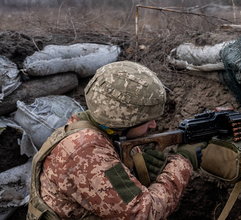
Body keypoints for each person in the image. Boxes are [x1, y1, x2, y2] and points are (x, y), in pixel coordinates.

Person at [27, 61, 205, 219]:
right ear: (123, 122)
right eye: (145, 121)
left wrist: (136, 169)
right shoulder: (86, 150)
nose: (153, 125)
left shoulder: (97, 127)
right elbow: (144, 213)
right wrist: (183, 162)